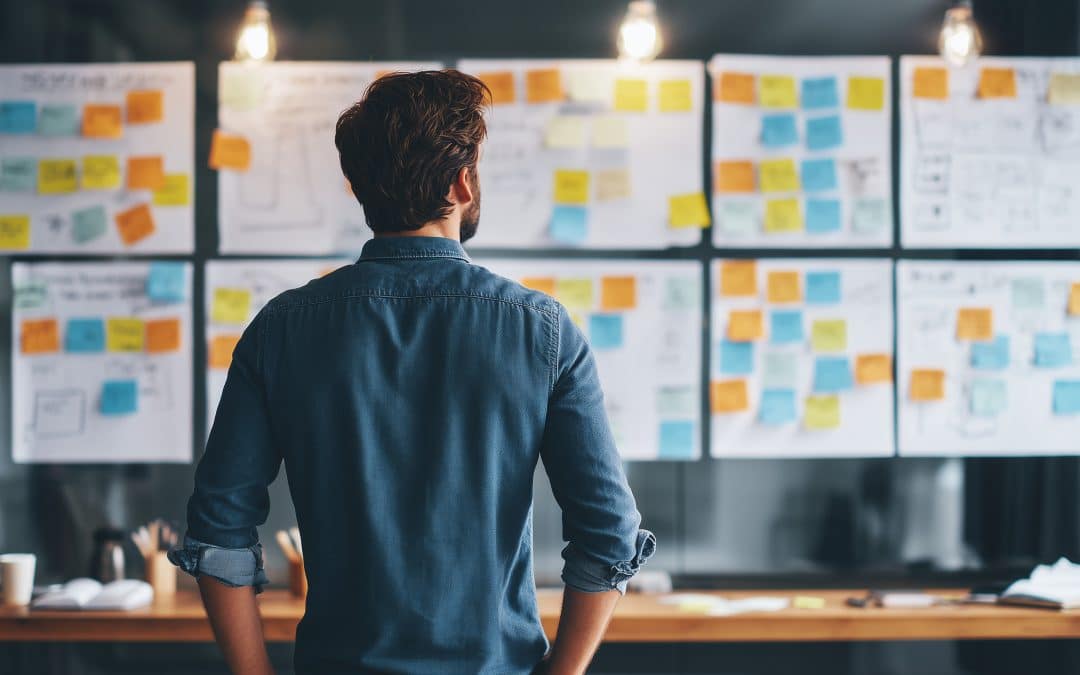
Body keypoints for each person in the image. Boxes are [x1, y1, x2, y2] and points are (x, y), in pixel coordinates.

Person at [170, 69, 654, 675]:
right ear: (462, 183)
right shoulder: (542, 330)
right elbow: (610, 536)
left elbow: (218, 533)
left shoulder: (281, 329)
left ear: (358, 188)